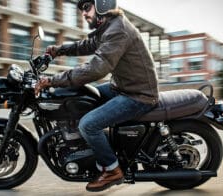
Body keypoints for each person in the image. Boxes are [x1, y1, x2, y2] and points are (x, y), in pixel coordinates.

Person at [35, 0, 159, 192]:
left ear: (102, 4)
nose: (83, 13)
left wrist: (53, 80)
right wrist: (59, 50)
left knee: (88, 124)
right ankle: (91, 147)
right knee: (82, 99)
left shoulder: (118, 30)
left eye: (86, 7)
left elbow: (96, 69)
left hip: (138, 94)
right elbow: (88, 45)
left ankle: (111, 169)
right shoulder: (109, 26)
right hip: (124, 87)